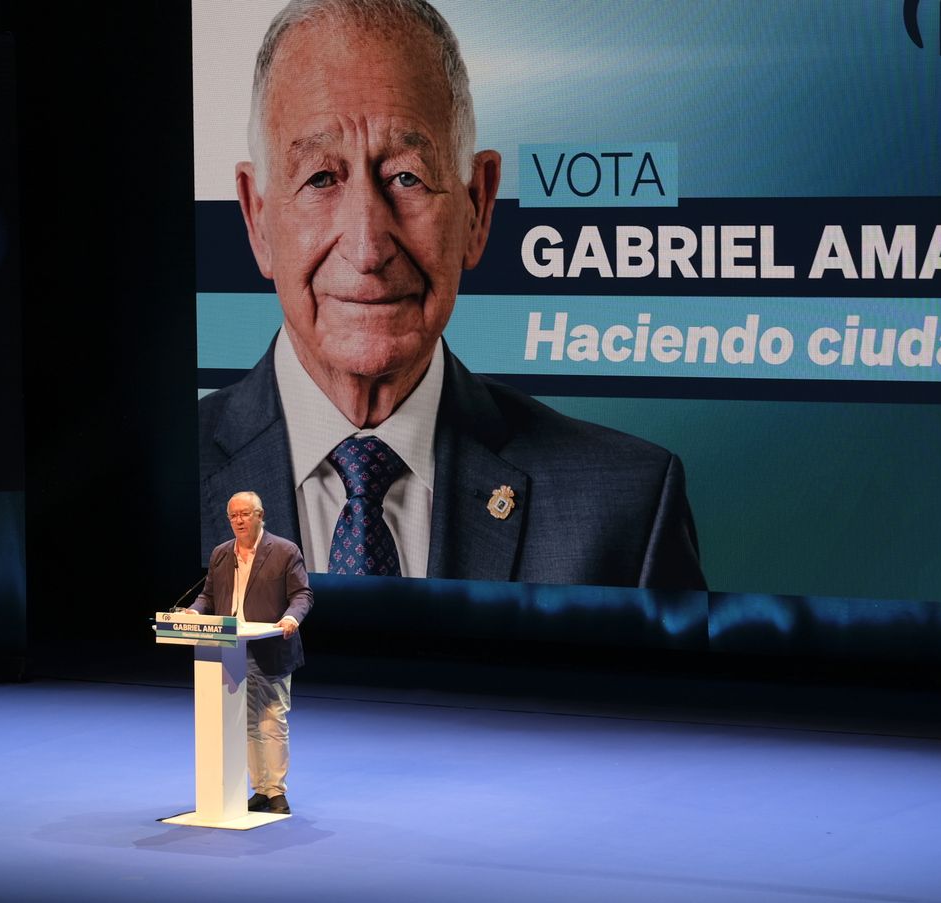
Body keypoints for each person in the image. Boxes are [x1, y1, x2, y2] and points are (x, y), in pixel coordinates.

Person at [198, 0, 706, 590]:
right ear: (256, 219)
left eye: (406, 177)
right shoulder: (134, 490)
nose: (367, 247)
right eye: (320, 178)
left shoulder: (628, 509)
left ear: (478, 206)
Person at [189, 490, 313, 815]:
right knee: (245, 723)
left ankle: (276, 793)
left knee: (272, 720)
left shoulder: (285, 550)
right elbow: (208, 596)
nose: (239, 521)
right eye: (233, 516)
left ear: (260, 515)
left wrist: (291, 617)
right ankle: (259, 789)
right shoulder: (220, 554)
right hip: (231, 650)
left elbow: (302, 595)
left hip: (271, 647)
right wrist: (193, 613)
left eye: (245, 514)